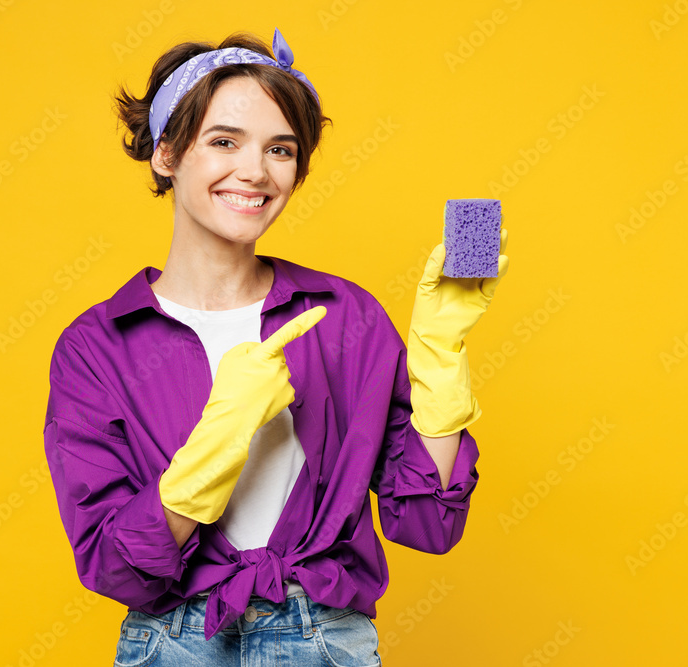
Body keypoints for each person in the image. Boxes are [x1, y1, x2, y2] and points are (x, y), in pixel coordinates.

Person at [42, 26, 509, 667]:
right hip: (174, 643)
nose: (255, 172)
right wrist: (218, 439)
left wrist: (439, 359)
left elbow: (426, 524)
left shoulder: (345, 319)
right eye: (224, 141)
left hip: (323, 639)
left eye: (280, 149)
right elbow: (118, 570)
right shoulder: (97, 348)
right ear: (167, 154)